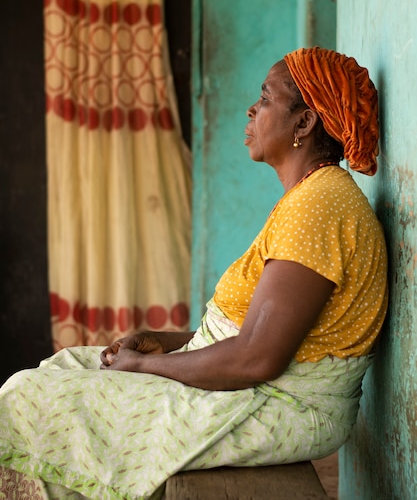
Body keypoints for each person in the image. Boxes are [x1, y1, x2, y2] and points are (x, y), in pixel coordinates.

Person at [0, 47, 388, 500]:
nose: (252, 108)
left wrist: (149, 366)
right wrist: (166, 341)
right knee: (64, 368)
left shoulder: (321, 207)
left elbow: (257, 358)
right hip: (256, 388)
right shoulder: (310, 198)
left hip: (277, 406)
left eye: (265, 98)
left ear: (304, 123)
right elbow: (258, 334)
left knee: (29, 399)